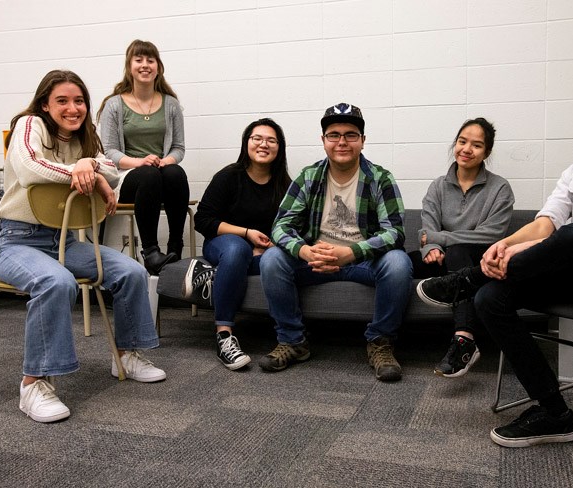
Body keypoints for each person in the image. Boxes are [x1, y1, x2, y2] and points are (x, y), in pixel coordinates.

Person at [417, 67, 573, 446]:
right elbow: (545, 223)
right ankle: (554, 413)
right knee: (491, 299)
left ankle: (465, 280)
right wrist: (504, 245)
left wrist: (512, 251)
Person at [0, 70, 166, 424]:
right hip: (16, 241)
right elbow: (28, 166)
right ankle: (34, 384)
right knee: (56, 282)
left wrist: (94, 168)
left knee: (131, 271)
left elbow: (113, 170)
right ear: (45, 103)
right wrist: (82, 169)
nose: (73, 108)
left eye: (79, 101)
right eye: (62, 101)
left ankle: (127, 355)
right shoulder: (29, 124)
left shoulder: (86, 138)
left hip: (64, 241)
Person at [258, 103, 413, 382]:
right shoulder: (309, 176)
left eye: (351, 135)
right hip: (315, 259)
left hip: (362, 261)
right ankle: (293, 341)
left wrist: (351, 253)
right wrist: (305, 251)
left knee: (399, 262)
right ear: (323, 140)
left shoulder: (380, 178)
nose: (342, 142)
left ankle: (380, 343)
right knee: (271, 259)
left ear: (363, 141)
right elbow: (281, 226)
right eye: (334, 135)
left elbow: (395, 232)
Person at [185, 118, 291, 370]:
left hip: (262, 250)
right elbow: (203, 219)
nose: (263, 144)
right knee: (236, 249)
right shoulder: (229, 176)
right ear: (246, 143)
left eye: (271, 140)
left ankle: (211, 276)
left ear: (279, 148)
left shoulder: (285, 185)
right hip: (223, 243)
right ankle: (224, 336)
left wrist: (273, 245)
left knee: (279, 261)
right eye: (257, 138)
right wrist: (246, 234)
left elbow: (290, 226)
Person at [413, 118, 514, 377]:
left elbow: (492, 234)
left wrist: (440, 238)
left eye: (476, 145)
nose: (467, 149)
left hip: (480, 262)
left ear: (486, 153)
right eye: (462, 141)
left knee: (459, 252)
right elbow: (428, 226)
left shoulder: (499, 188)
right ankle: (384, 338)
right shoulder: (438, 185)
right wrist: (431, 247)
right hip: (442, 258)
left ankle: (464, 340)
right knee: (400, 261)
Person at [99, 39, 189, 275]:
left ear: (158, 67)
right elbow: (109, 151)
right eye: (139, 60)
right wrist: (139, 162)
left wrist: (164, 161)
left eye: (151, 60)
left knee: (175, 172)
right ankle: (150, 252)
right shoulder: (114, 105)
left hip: (160, 172)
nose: (145, 65)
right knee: (148, 174)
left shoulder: (171, 104)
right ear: (129, 66)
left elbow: (178, 148)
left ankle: (175, 247)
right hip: (128, 176)